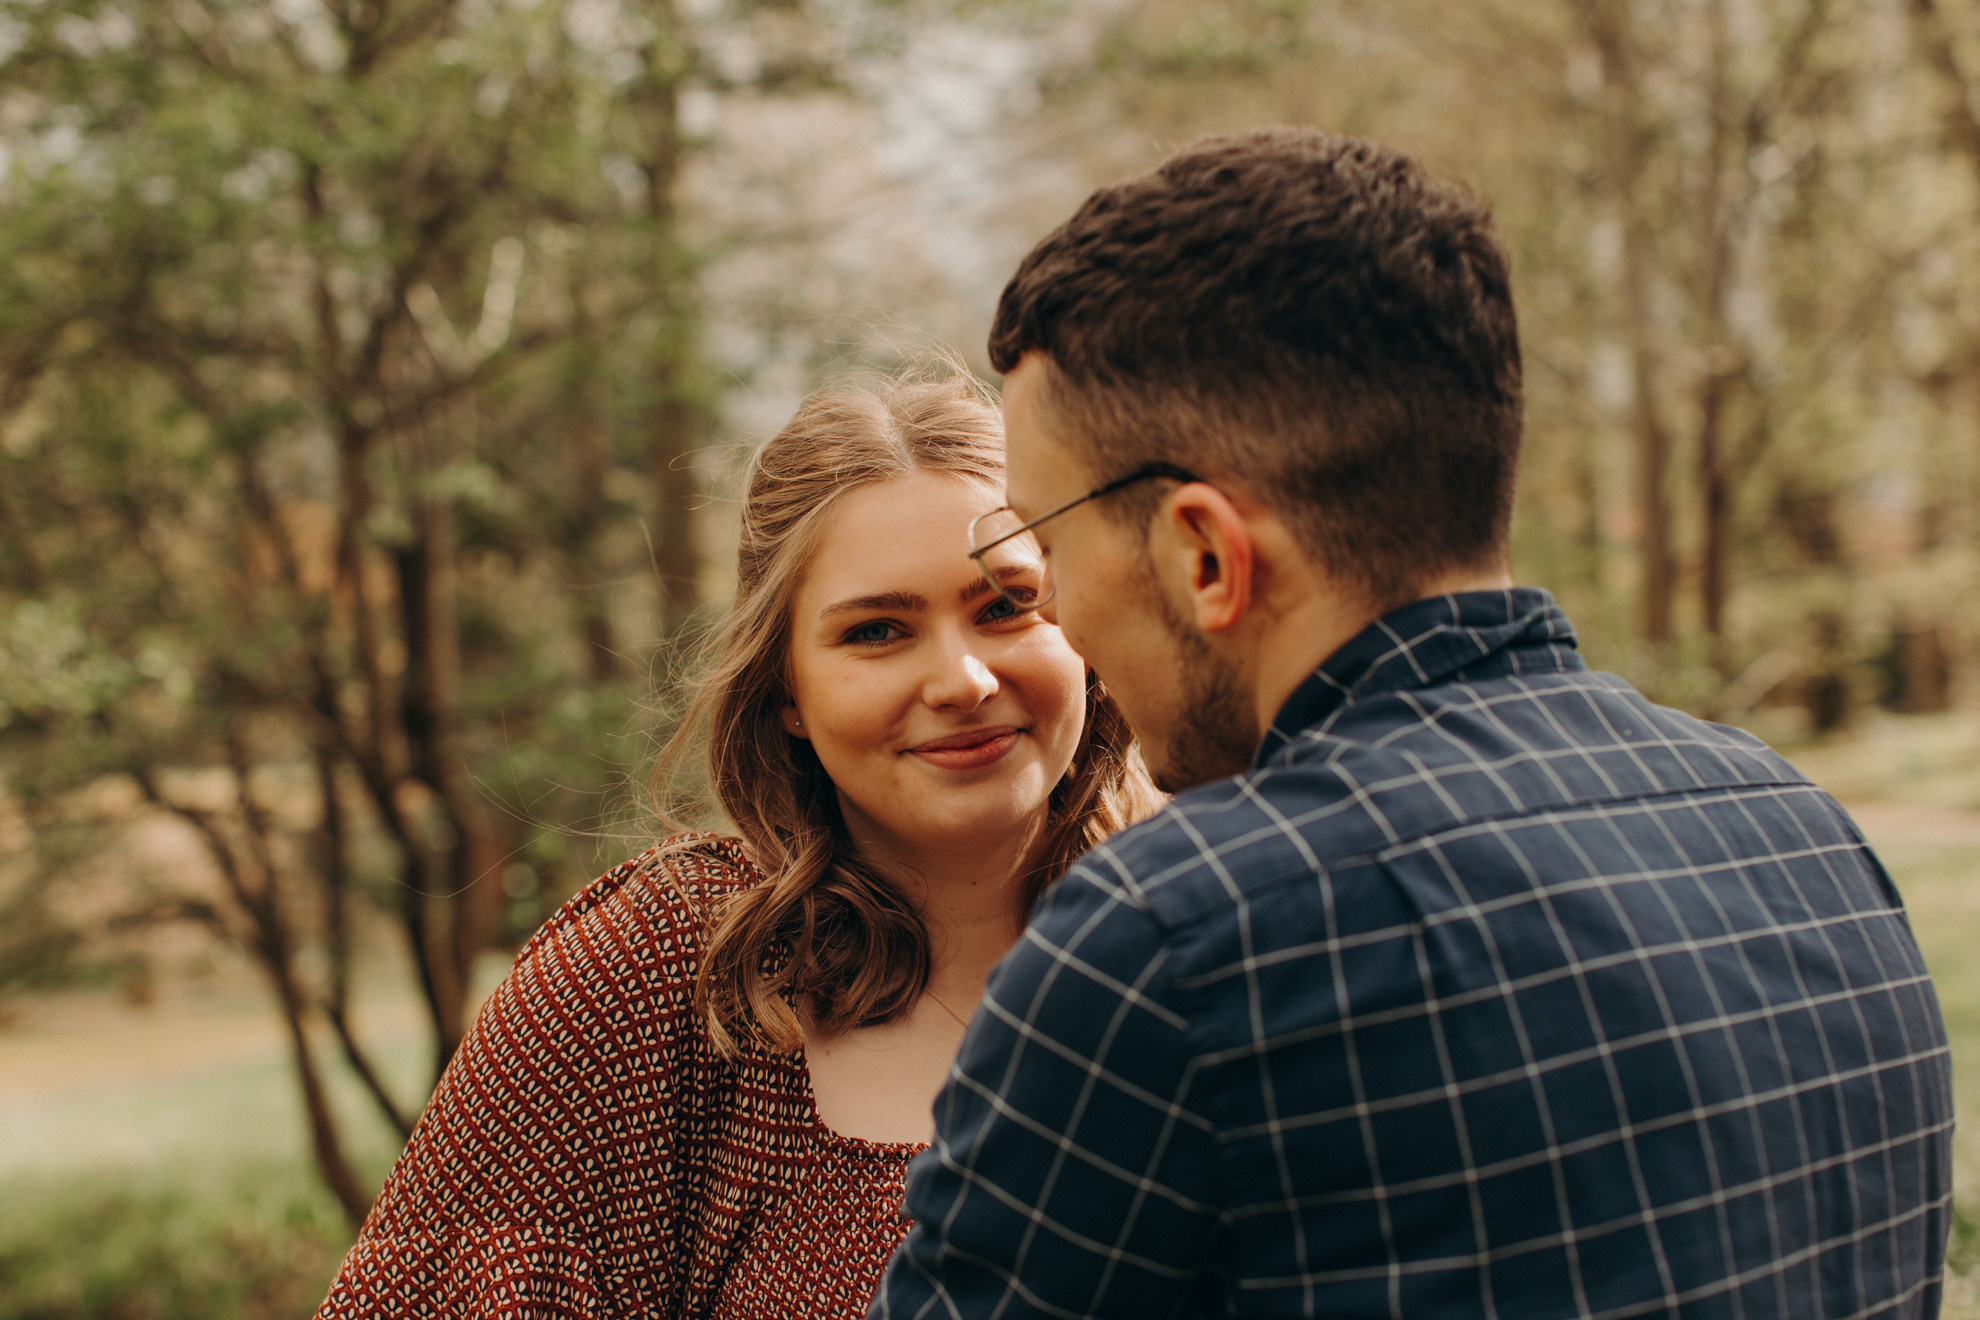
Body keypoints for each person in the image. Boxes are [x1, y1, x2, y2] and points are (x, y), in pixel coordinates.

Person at [873, 128, 1955, 1319]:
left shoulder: (1180, 939)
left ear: (1204, 556)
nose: (1061, 616)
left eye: (1047, 545)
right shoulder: (1807, 836)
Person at [314, 373, 1160, 1320]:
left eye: (1006, 606)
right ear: (787, 689)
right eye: (878, 631)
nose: (962, 680)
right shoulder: (666, 978)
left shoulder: (1212, 941)